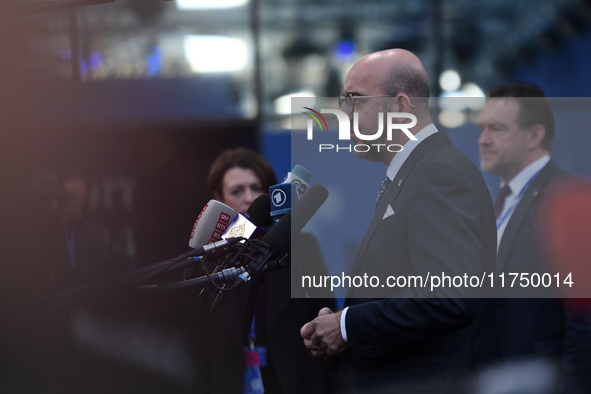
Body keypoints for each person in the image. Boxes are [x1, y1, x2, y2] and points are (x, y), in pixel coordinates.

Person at [300, 49, 498, 393]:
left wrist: (346, 326)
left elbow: (448, 296)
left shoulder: (438, 172)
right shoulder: (415, 173)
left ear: (401, 107)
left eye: (354, 100)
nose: (343, 114)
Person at [197, 147, 338, 394]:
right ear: (219, 198)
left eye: (257, 188)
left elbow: (326, 320)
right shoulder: (206, 261)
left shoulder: (303, 247)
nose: (249, 198)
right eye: (237, 191)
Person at [478, 82, 590, 391]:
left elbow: (583, 317)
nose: (483, 140)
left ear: (535, 136)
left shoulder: (567, 198)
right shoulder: (499, 203)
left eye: (497, 129)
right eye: (482, 128)